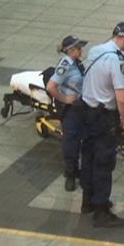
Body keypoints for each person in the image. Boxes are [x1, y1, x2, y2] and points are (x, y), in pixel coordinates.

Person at [80, 21, 124, 228]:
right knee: (104, 162)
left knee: (88, 157)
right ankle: (101, 211)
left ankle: (88, 201)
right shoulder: (116, 61)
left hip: (88, 111)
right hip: (104, 117)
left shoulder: (95, 50)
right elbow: (122, 97)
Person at [46, 35, 88, 192]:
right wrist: (64, 99)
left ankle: (81, 170)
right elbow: (51, 87)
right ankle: (70, 173)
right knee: (71, 141)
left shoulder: (77, 63)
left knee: (84, 138)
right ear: (70, 50)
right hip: (71, 109)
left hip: (81, 105)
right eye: (78, 48)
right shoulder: (66, 64)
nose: (81, 50)